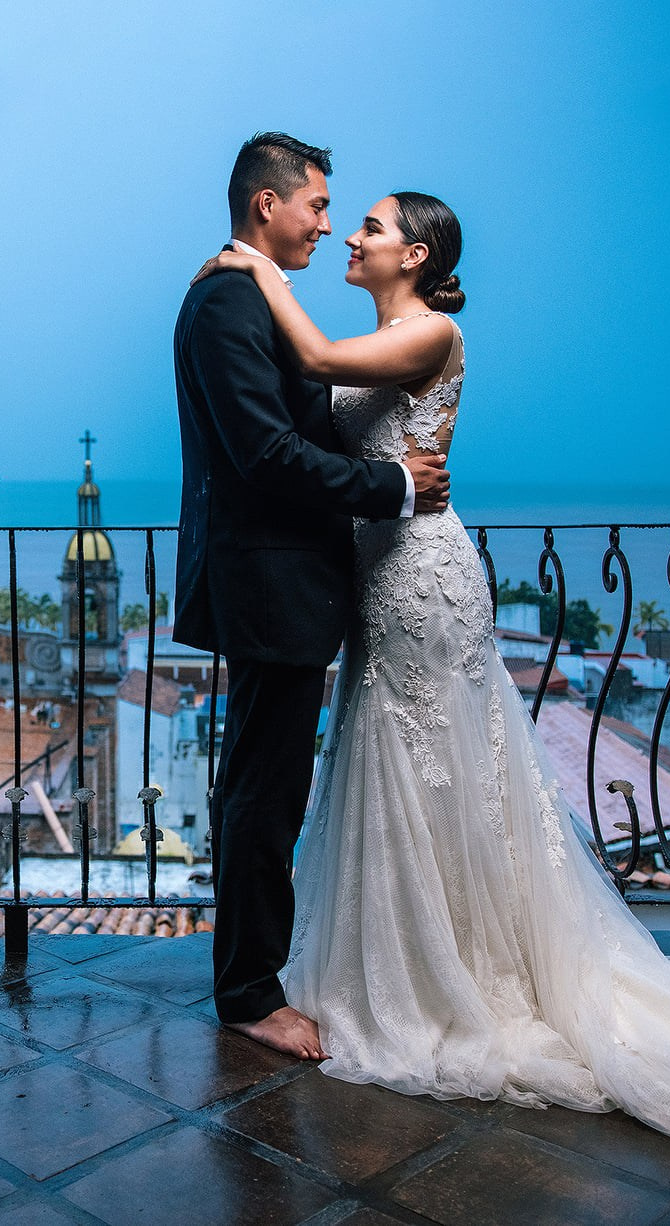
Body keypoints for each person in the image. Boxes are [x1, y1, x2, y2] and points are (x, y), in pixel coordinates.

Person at [196, 191, 670, 1203]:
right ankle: (416, 958)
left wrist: (252, 268)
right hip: (379, 580)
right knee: (395, 771)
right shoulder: (381, 329)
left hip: (421, 575)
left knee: (439, 767)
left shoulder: (431, 331)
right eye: (342, 216)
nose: (351, 235)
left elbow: (321, 372)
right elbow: (320, 411)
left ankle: (461, 971)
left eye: (368, 225)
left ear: (413, 254)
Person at [171, 132, 451, 1061]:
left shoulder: (254, 295)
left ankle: (271, 972)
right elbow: (265, 454)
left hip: (295, 584)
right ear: (268, 206)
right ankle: (249, 992)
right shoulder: (226, 305)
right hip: (269, 585)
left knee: (273, 786)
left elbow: (313, 398)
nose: (328, 225)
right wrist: (396, 487)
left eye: (343, 215)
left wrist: (265, 278)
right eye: (319, 207)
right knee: (263, 792)